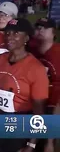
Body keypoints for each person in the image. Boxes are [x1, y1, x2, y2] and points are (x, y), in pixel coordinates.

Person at [0, 18, 49, 152]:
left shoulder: (36, 69)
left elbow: (39, 112)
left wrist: (31, 144)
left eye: (16, 33)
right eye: (7, 33)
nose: (9, 37)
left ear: (26, 38)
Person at [30, 18, 60, 152]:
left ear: (53, 33)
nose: (40, 29)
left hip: (53, 107)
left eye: (45, 27)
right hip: (33, 104)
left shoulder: (58, 53)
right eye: (38, 27)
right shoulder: (30, 50)